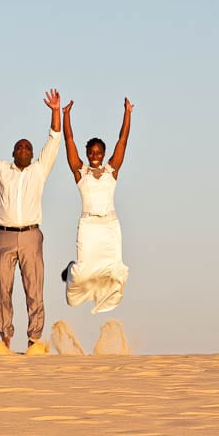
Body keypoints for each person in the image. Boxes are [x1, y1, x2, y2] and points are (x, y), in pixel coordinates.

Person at [0, 90, 62, 350]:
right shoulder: (2, 170)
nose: (24, 150)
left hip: (31, 236)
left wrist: (55, 111)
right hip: (3, 236)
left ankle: (34, 341)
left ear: (32, 153)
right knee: (3, 290)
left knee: (34, 290)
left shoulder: (40, 170)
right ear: (14, 152)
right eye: (20, 147)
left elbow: (54, 141)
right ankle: (5, 339)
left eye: (28, 147)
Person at [60, 97, 133, 313]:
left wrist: (127, 112)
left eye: (98, 152)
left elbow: (123, 141)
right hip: (89, 225)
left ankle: (102, 297)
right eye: (91, 152)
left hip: (110, 225)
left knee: (114, 270)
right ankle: (70, 270)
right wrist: (66, 115)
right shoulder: (80, 171)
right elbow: (69, 141)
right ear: (86, 153)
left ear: (103, 153)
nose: (94, 156)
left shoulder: (112, 170)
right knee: (83, 272)